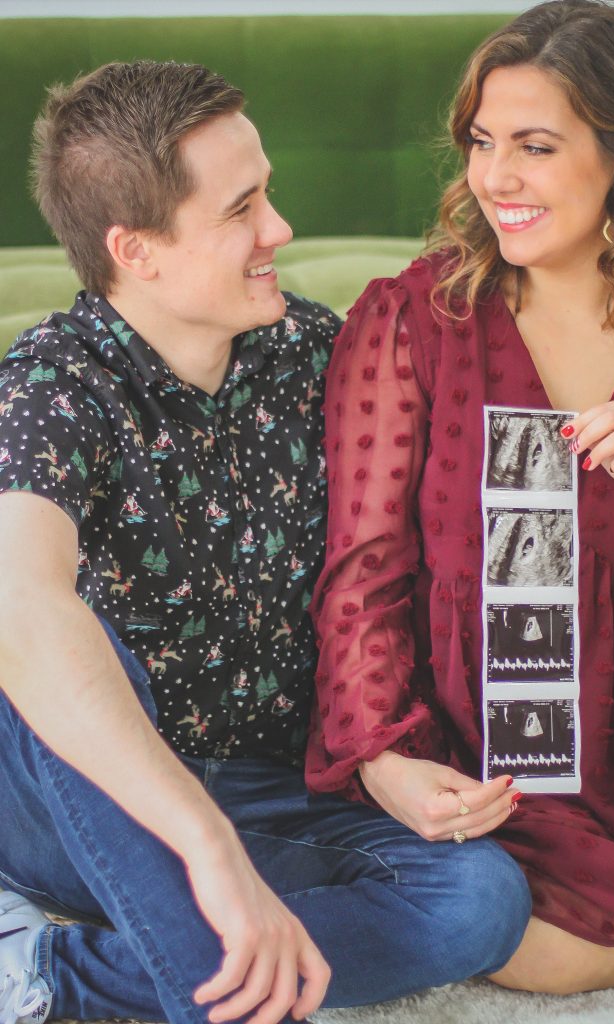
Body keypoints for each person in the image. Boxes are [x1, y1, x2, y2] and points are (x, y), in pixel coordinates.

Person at [0, 60, 533, 1024]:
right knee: (63, 637)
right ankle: (200, 911)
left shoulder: (319, 353)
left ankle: (53, 977)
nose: (280, 230)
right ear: (138, 249)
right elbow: (23, 607)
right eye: (242, 208)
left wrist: (378, 755)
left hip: (269, 782)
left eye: (269, 193)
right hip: (69, 798)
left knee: (480, 903)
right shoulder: (51, 389)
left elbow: (390, 568)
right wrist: (204, 845)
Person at [308, 0, 614, 997]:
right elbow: (362, 579)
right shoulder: (412, 320)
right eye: (483, 143)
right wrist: (383, 759)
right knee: (525, 943)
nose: (495, 178)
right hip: (502, 771)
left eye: (534, 145)